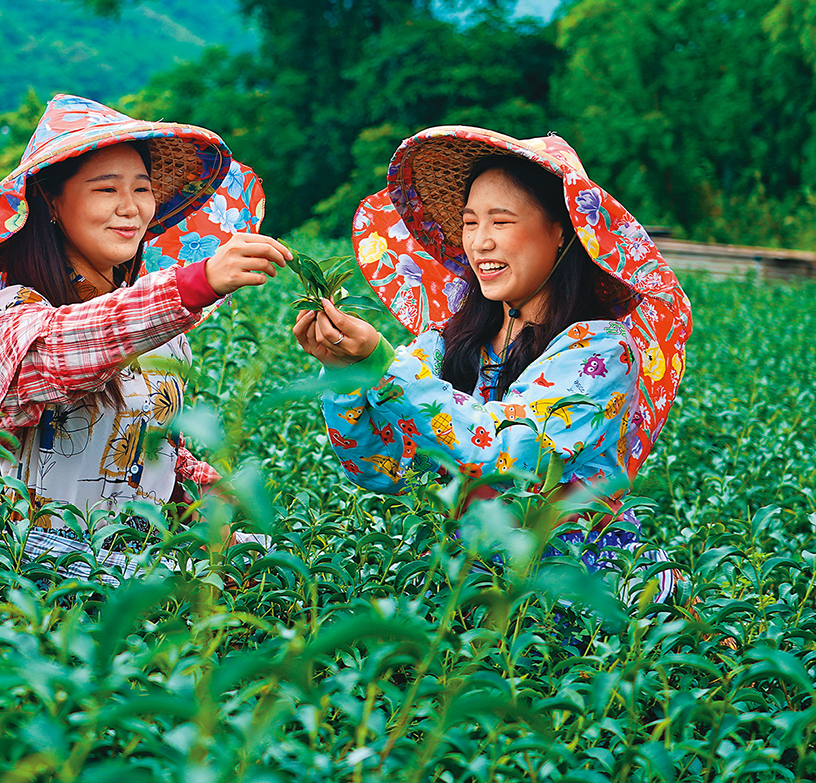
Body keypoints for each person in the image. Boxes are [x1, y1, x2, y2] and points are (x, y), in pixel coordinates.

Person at [292, 127, 691, 598]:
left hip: (578, 587)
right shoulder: (449, 342)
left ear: (562, 232)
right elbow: (381, 468)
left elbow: (505, 455)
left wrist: (382, 362)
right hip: (472, 580)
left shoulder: (600, 350)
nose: (479, 243)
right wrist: (347, 374)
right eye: (469, 222)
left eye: (500, 222)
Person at [0, 94, 290, 577]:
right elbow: (65, 348)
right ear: (52, 202)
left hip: (143, 575)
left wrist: (214, 512)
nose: (130, 208)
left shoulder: (162, 328)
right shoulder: (10, 315)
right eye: (105, 189)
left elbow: (148, 450)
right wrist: (194, 283)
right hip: (44, 578)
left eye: (142, 188)